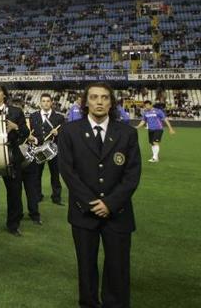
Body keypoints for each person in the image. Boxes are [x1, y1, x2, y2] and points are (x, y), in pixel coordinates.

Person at [58, 82, 141, 308]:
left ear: (112, 102)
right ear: (85, 102)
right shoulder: (69, 131)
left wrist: (110, 203)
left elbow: (132, 174)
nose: (99, 102)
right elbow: (67, 171)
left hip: (118, 213)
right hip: (83, 213)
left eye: (105, 97)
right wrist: (91, 202)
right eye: (94, 97)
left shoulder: (127, 133)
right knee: (86, 267)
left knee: (118, 268)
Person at [0, 84, 30, 237]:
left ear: (4, 95)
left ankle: (13, 225)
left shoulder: (16, 111)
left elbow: (26, 132)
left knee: (15, 193)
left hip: (12, 157)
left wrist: (16, 127)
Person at [29, 93, 66, 206]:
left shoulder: (59, 117)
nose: (45, 103)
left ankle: (56, 197)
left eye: (48, 101)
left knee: (55, 174)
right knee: (37, 175)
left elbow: (65, 134)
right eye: (43, 101)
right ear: (40, 103)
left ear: (51, 103)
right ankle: (38, 195)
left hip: (53, 149)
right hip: (39, 149)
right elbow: (32, 132)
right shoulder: (33, 116)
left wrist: (58, 133)